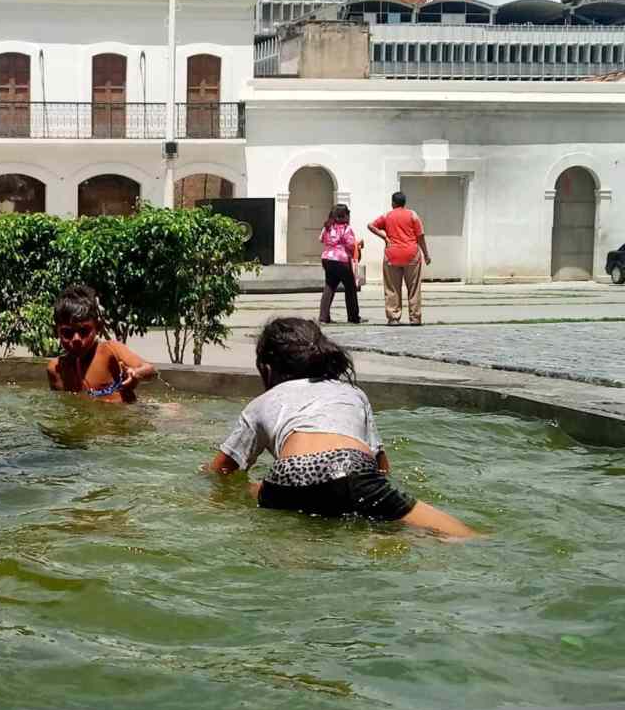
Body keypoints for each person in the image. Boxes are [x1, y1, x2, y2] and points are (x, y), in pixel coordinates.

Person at [203, 317, 475, 539]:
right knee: (456, 534)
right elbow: (382, 468)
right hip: (351, 471)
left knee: (247, 490)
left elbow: (222, 470)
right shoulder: (352, 392)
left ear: (267, 368)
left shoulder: (261, 402)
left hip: (286, 478)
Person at [47, 284, 156, 404]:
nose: (76, 339)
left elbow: (150, 370)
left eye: (84, 331)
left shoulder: (110, 350)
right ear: (55, 331)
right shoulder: (56, 370)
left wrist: (136, 373)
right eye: (67, 333)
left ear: (98, 327)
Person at [368, 191, 431, 326]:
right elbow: (420, 236)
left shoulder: (387, 216)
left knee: (392, 288)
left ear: (393, 203)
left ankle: (393, 318)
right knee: (414, 288)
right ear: (404, 202)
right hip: (412, 255)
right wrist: (426, 254)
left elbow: (371, 225)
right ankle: (415, 318)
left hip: (392, 255)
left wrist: (384, 237)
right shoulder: (413, 215)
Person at [318, 205, 362, 325]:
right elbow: (351, 244)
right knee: (350, 287)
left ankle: (323, 316)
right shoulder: (346, 228)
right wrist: (358, 245)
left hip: (327, 258)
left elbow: (321, 239)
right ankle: (353, 316)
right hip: (341, 260)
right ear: (345, 215)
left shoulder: (327, 227)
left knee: (329, 286)